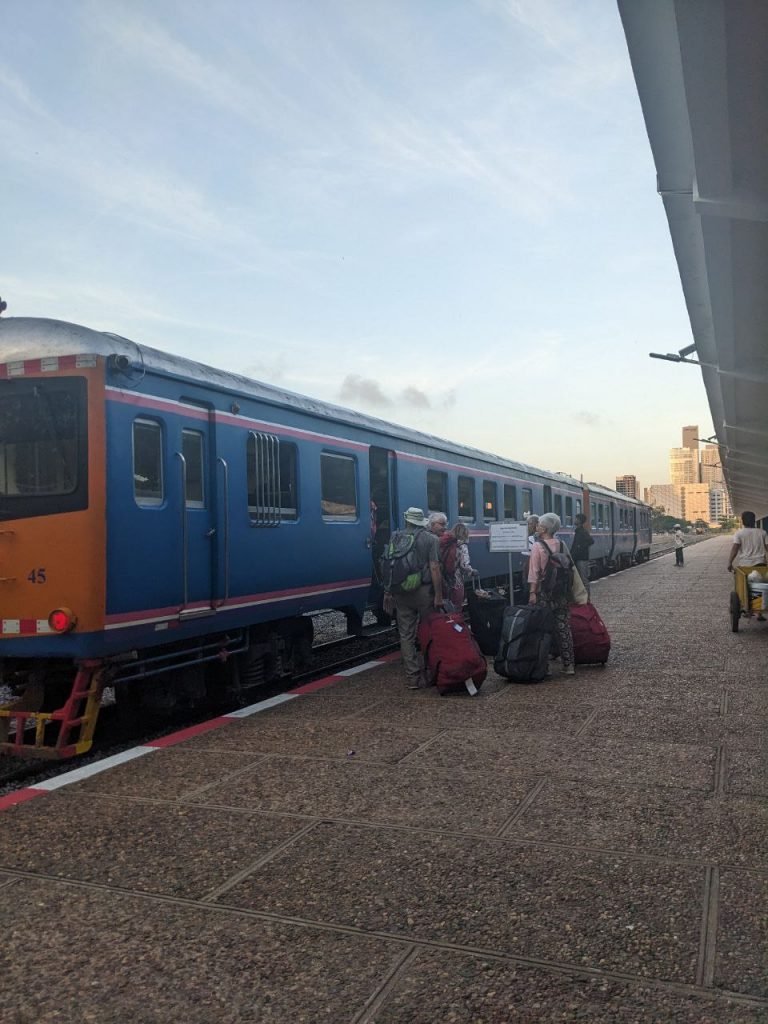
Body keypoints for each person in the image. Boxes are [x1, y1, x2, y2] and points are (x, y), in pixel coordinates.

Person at [388, 507, 444, 689]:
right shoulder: (431, 539)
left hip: (402, 592)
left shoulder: (395, 537)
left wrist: (387, 592)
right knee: (430, 631)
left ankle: (413, 678)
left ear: (406, 521)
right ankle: (431, 671)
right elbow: (435, 567)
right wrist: (439, 595)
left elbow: (390, 565)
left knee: (406, 636)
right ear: (422, 522)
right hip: (424, 592)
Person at [528, 512, 575, 675]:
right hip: (561, 593)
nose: (536, 527)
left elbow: (534, 572)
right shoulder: (562, 544)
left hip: (543, 593)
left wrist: (532, 592)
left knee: (542, 629)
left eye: (539, 524)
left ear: (545, 528)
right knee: (563, 628)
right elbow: (570, 567)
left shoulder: (537, 546)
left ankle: (544, 666)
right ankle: (569, 665)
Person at [727, 511, 768, 620]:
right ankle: (759, 612)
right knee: (761, 585)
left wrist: (730, 562)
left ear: (743, 521)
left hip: (745, 566)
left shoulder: (739, 533)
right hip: (761, 564)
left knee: (746, 587)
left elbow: (735, 548)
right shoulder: (762, 532)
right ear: (754, 520)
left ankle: (748, 608)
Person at [440, 522, 478, 608]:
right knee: (456, 604)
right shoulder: (462, 546)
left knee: (444, 604)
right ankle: (455, 619)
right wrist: (471, 571)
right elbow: (464, 564)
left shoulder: (446, 544)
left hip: (442, 577)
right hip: (455, 579)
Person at [570, 513, 594, 599]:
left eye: (576, 519)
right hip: (579, 558)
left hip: (581, 559)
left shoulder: (582, 532)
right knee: (581, 579)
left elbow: (591, 541)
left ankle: (587, 598)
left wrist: (580, 547)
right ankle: (583, 597)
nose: (574, 520)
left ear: (579, 521)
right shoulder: (579, 531)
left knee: (584, 579)